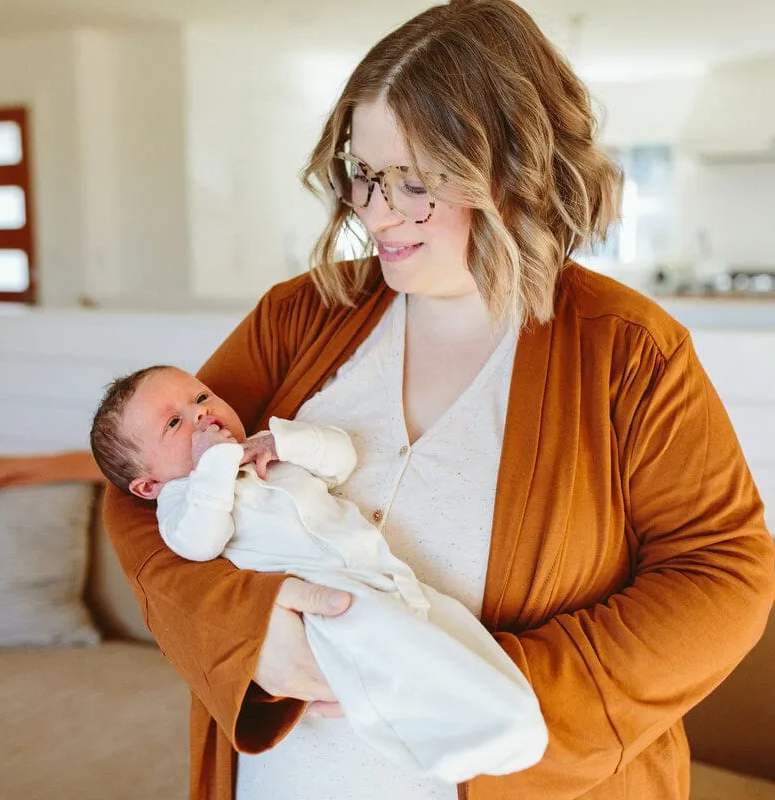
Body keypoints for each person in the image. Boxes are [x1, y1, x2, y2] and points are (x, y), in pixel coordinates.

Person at [102, 0, 775, 798]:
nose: (372, 212)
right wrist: (247, 633)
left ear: (517, 171)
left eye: (413, 183)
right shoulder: (300, 314)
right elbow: (144, 488)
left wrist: (477, 687)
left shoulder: (628, 350)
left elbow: (722, 573)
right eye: (363, 172)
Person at [89, 364, 547, 783]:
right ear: (147, 485)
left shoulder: (267, 455)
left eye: (202, 397)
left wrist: (279, 442)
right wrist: (214, 465)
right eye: (174, 423)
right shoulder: (183, 498)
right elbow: (198, 541)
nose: (202, 415)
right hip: (328, 602)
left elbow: (341, 458)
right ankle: (451, 747)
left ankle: (515, 712)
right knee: (404, 661)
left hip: (384, 576)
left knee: (452, 632)